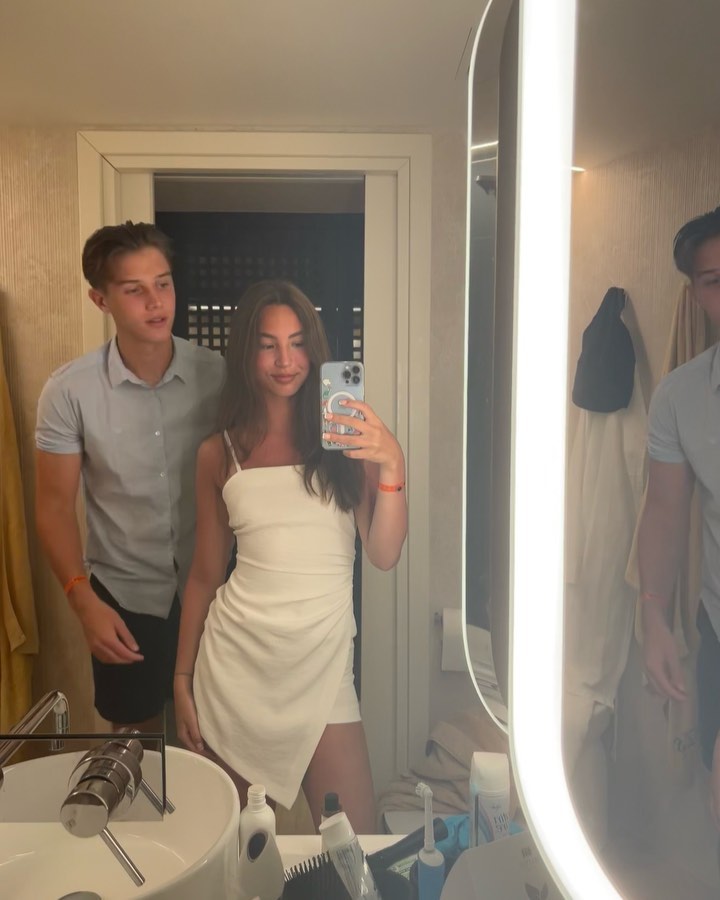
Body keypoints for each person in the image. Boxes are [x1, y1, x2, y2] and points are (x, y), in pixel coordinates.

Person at [173, 279, 407, 833]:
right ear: (246, 353)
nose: (285, 360)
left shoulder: (348, 443)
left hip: (325, 670)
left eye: (298, 343)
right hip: (236, 670)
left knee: (354, 850)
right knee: (231, 858)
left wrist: (392, 463)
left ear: (315, 350)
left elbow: (383, 553)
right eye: (268, 344)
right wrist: (181, 677)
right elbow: (205, 576)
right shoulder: (217, 453)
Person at [35, 221, 225, 733]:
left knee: (215, 739)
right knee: (134, 750)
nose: (156, 302)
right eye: (134, 290)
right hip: (122, 596)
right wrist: (82, 602)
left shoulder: (218, 376)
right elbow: (53, 507)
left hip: (212, 589)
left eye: (163, 283)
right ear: (101, 300)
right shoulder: (69, 392)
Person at [638, 205, 720, 827]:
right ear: (696, 294)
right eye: (715, 280)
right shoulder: (681, 396)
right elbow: (665, 512)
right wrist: (654, 617)